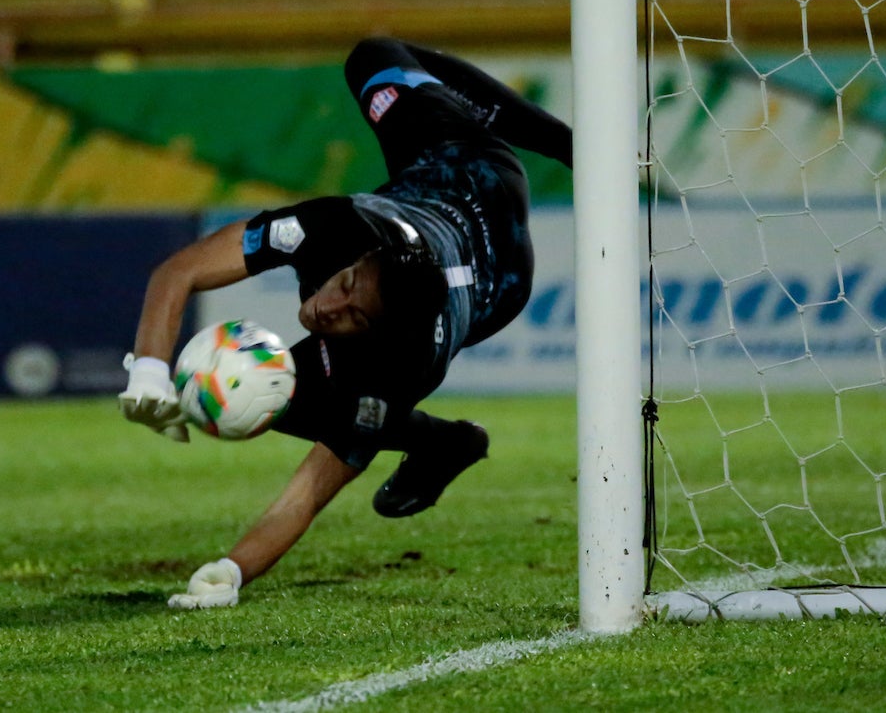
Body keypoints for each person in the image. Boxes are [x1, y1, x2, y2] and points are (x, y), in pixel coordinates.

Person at [119, 37, 572, 608]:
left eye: (352, 316)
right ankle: (574, 146)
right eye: (346, 284)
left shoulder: (396, 367)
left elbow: (307, 494)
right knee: (374, 55)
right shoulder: (333, 227)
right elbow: (180, 271)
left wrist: (230, 572)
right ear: (361, 259)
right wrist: (149, 371)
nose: (326, 308)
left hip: (499, 273)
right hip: (461, 162)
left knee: (292, 399)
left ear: (377, 334)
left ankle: (445, 444)